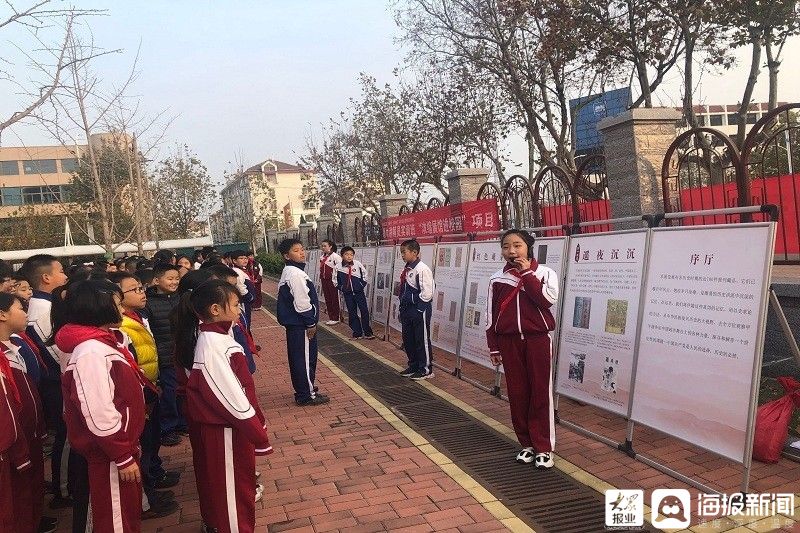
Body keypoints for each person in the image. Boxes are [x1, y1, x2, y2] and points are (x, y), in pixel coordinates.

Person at [174, 280, 272, 532]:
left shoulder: (216, 338)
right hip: (227, 427)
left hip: (230, 426)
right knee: (233, 494)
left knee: (237, 488)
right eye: (236, 304)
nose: (240, 309)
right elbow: (229, 394)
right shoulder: (213, 344)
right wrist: (255, 429)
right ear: (215, 309)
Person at [54, 279, 148, 532]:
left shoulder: (102, 343)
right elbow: (98, 409)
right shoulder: (91, 351)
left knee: (125, 512)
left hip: (117, 446)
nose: (122, 311)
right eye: (117, 305)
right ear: (99, 308)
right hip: (109, 451)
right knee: (115, 517)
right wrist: (121, 454)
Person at [486, 229, 559, 469]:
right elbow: (491, 315)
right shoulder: (497, 278)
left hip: (538, 339)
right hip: (509, 343)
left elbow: (546, 301)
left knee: (540, 392)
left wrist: (527, 273)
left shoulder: (545, 273)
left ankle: (544, 447)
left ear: (528, 246)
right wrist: (494, 346)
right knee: (517, 394)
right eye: (506, 246)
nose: (512, 251)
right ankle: (526, 444)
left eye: (517, 245)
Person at [110, 272, 180, 519]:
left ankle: (152, 484)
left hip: (150, 386)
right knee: (144, 446)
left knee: (151, 444)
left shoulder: (136, 317)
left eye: (141, 287)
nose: (142, 292)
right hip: (140, 393)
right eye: (134, 289)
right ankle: (146, 498)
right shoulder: (122, 325)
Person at [0, 293, 56, 533]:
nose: (26, 313)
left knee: (27, 494)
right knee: (13, 505)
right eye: (20, 308)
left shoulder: (15, 346)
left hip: (27, 436)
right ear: (2, 315)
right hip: (12, 445)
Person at [19, 254, 71, 508]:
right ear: (46, 277)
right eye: (61, 271)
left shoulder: (49, 304)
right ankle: (63, 490)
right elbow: (54, 350)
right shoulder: (41, 310)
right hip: (55, 382)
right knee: (66, 434)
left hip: (58, 379)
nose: (65, 276)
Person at [277, 238, 329, 406]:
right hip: (300, 325)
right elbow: (301, 302)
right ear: (286, 255)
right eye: (296, 250)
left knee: (300, 358)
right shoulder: (295, 274)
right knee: (304, 359)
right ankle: (306, 395)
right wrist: (310, 323)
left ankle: (305, 388)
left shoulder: (291, 271)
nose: (301, 252)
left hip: (296, 325)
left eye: (302, 249)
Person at [144, 262, 185, 446]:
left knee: (183, 391)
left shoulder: (182, 298)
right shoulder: (148, 303)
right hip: (164, 356)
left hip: (182, 354)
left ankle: (182, 422)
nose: (174, 282)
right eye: (170, 278)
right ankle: (167, 428)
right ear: (156, 280)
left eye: (177, 278)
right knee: (168, 393)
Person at [397, 239, 435, 380]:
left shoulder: (422, 269)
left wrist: (419, 309)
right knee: (409, 339)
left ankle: (425, 369)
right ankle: (413, 365)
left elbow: (427, 293)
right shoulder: (407, 269)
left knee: (421, 339)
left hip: (419, 310)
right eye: (401, 252)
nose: (402, 255)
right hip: (407, 310)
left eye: (404, 252)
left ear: (415, 252)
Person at [336, 246, 374, 340]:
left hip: (359, 293)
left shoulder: (357, 264)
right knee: (352, 312)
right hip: (348, 294)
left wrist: (361, 285)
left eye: (351, 255)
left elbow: (365, 275)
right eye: (346, 254)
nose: (349, 256)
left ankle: (367, 331)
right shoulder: (338, 267)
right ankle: (357, 332)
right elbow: (335, 280)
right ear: (342, 256)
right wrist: (343, 288)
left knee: (364, 311)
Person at [230, 250, 256, 331]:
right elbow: (240, 287)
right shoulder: (237, 271)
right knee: (245, 322)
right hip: (244, 301)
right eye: (241, 258)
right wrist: (249, 297)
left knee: (247, 322)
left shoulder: (242, 270)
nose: (245, 260)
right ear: (234, 260)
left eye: (246, 258)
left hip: (246, 301)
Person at [319, 240, 341, 325]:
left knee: (334, 298)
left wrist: (337, 279)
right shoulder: (322, 257)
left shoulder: (335, 257)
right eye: (322, 246)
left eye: (325, 246)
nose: (323, 248)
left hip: (332, 281)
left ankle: (336, 317)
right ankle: (331, 317)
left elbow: (340, 269)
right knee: (328, 298)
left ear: (330, 246)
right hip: (324, 280)